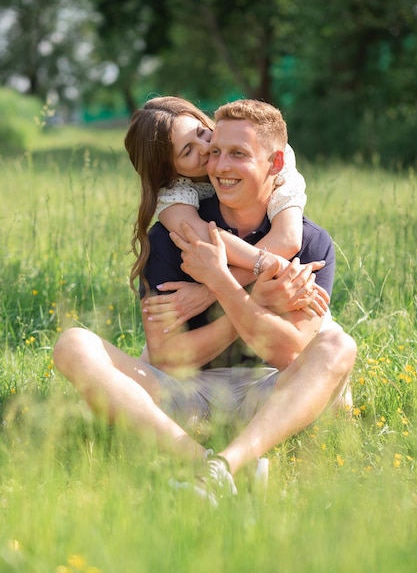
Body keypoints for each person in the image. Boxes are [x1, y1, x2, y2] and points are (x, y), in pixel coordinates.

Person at [53, 98, 356, 505]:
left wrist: (221, 284)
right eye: (212, 153)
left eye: (236, 153)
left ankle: (227, 465)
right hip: (189, 394)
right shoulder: (177, 233)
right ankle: (205, 462)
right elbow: (164, 357)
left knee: (338, 345)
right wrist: (247, 295)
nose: (218, 165)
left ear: (276, 163)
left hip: (271, 391)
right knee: (73, 344)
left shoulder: (309, 240)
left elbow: (289, 352)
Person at [124, 97, 329, 329]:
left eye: (201, 133)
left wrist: (208, 292)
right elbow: (209, 238)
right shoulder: (171, 195)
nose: (206, 148)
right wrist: (277, 269)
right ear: (170, 172)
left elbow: (287, 239)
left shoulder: (273, 155)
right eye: (187, 151)